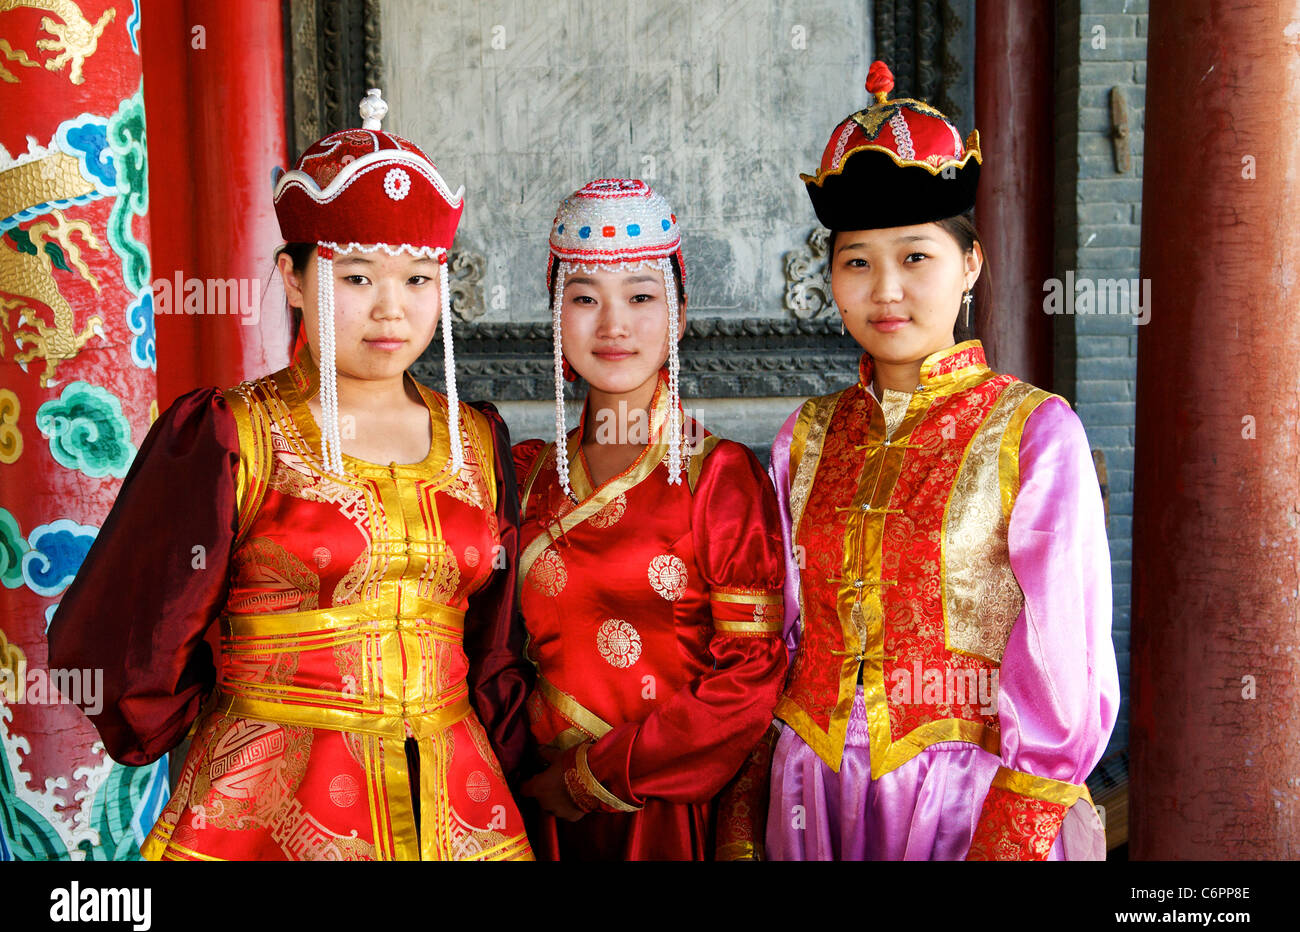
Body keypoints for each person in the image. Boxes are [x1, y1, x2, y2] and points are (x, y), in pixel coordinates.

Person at [46, 90, 534, 861]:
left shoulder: (478, 437)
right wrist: (219, 712)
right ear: (295, 278)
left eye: (417, 279)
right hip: (272, 807)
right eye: (358, 278)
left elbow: (496, 644)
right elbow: (118, 630)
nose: (391, 310)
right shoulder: (229, 434)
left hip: (458, 799)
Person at [744, 62, 1119, 860]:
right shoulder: (805, 436)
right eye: (857, 262)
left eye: (916, 257)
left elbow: (1066, 663)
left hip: (965, 796)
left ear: (970, 265)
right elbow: (783, 631)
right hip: (814, 789)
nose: (887, 290)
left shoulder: (1033, 433)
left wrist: (1009, 836)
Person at [512, 179, 787, 860]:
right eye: (584, 299)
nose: (613, 325)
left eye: (641, 297)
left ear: (680, 315)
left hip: (661, 811)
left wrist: (588, 777)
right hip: (532, 803)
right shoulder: (522, 475)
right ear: (555, 316)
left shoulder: (718, 478)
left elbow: (748, 679)